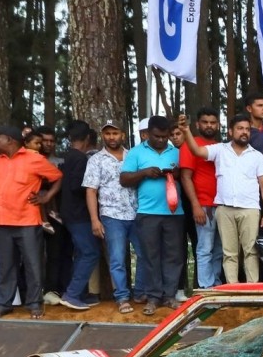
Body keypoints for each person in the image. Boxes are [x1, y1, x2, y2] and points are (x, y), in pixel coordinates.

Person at [0, 123, 63, 319]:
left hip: (27, 220)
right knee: (5, 266)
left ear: (10, 140)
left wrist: (46, 198)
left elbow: (57, 177)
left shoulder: (34, 159)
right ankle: (4, 304)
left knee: (33, 264)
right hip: (2, 221)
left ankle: (34, 304)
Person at [179, 111, 263, 283]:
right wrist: (186, 131)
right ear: (230, 131)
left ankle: (253, 289)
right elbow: (197, 151)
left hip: (250, 209)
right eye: (239, 128)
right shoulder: (220, 150)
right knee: (229, 253)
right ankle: (232, 289)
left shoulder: (257, 156)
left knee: (251, 250)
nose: (244, 132)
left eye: (246, 129)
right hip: (224, 209)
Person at [121, 116, 187, 314]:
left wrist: (174, 174)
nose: (161, 140)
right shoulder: (135, 153)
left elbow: (185, 176)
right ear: (147, 133)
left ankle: (169, 296)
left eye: (164, 137)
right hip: (147, 213)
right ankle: (153, 297)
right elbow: (124, 179)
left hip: (175, 212)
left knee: (174, 256)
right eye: (157, 136)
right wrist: (144, 172)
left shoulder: (176, 152)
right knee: (150, 256)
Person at [84, 121, 141, 312]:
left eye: (115, 133)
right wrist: (94, 219)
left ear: (123, 135)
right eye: (107, 134)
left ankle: (140, 292)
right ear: (103, 136)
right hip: (111, 215)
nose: (111, 137)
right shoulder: (96, 160)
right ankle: (122, 297)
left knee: (145, 255)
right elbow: (91, 191)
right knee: (117, 258)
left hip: (136, 212)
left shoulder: (133, 155)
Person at [54, 120, 99, 311]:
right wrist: (93, 189)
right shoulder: (80, 159)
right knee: (90, 252)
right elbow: (76, 186)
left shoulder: (66, 157)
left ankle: (77, 293)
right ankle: (72, 294)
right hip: (79, 214)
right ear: (88, 138)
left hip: (68, 212)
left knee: (81, 253)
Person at [179, 107, 224, 289]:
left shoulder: (220, 147)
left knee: (219, 250)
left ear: (218, 125)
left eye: (212, 122)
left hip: (222, 204)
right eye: (205, 122)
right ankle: (206, 287)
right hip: (203, 204)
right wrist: (195, 205)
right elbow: (185, 177)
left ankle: (216, 285)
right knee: (205, 248)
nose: (209, 125)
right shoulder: (191, 145)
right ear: (198, 124)